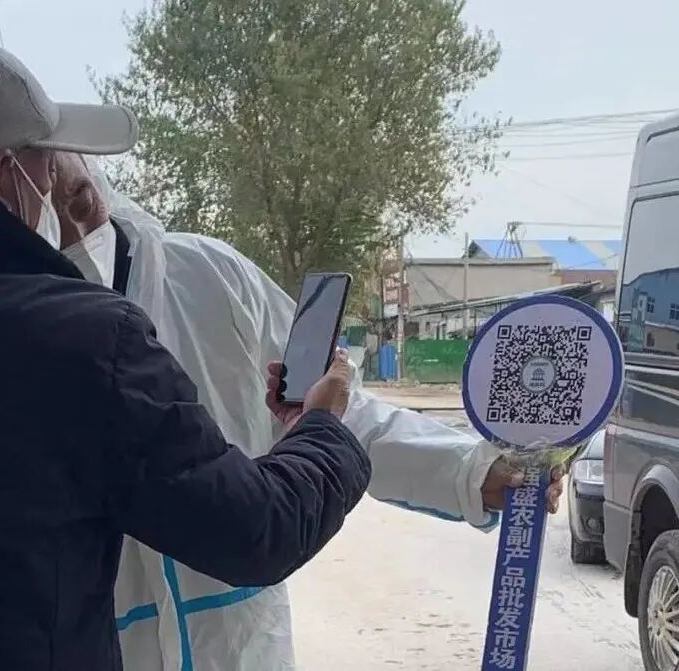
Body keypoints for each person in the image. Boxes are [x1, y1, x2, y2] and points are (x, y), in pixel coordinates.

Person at [0, 33, 372, 671]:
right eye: (53, 179)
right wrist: (321, 427)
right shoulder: (82, 340)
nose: (66, 208)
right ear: (2, 174)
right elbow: (254, 532)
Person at [52, 153, 566, 671]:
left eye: (72, 173)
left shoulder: (210, 276)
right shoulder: (18, 333)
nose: (68, 198)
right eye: (35, 167)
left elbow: (336, 416)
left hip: (241, 648)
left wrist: (471, 472)